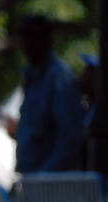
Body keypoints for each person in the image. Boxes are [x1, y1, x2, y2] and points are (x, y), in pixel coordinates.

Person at [16, 15, 85, 174]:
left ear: (46, 40)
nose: (26, 44)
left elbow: (69, 139)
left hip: (52, 186)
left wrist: (44, 175)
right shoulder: (32, 76)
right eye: (24, 37)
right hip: (31, 178)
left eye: (32, 37)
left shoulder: (59, 78)